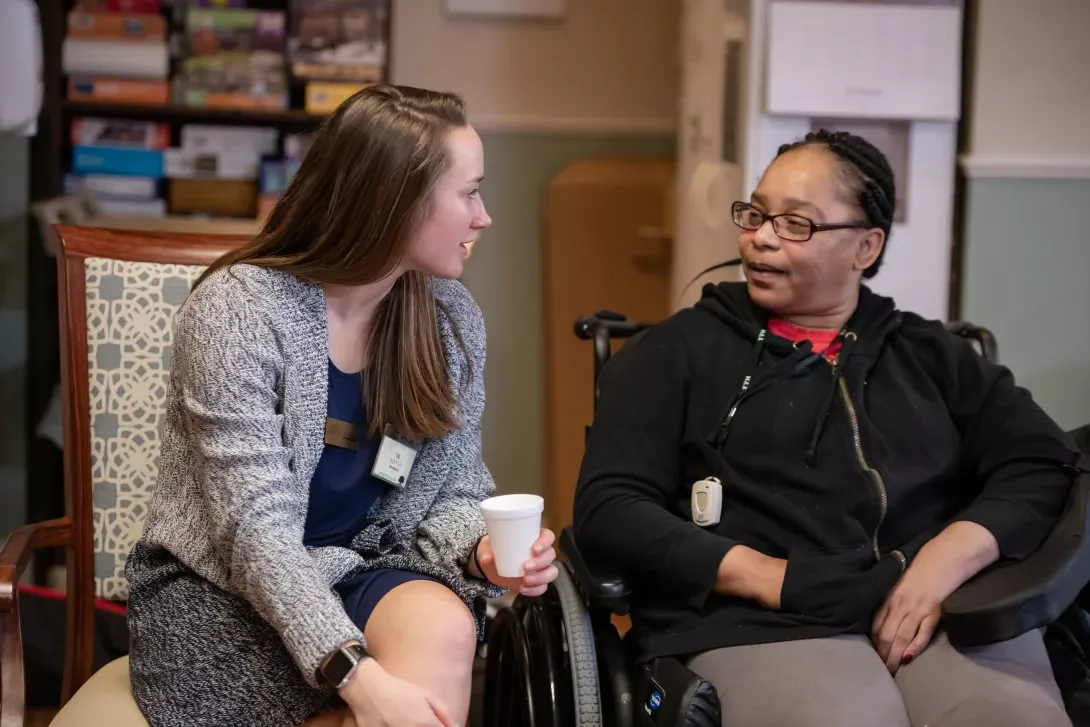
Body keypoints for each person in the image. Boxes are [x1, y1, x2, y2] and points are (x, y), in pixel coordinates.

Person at [573, 129, 1079, 727]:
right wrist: (770, 579)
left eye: (796, 223)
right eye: (756, 213)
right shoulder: (676, 353)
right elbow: (610, 507)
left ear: (866, 247)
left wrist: (941, 564)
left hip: (944, 609)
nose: (761, 237)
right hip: (763, 624)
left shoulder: (931, 355)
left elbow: (1043, 462)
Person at [125, 85, 559, 727]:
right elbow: (255, 534)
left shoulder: (448, 320)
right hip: (226, 598)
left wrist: (480, 552)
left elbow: (458, 492)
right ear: (396, 203)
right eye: (468, 193)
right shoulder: (238, 313)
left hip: (361, 570)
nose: (484, 216)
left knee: (443, 628)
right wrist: (356, 675)